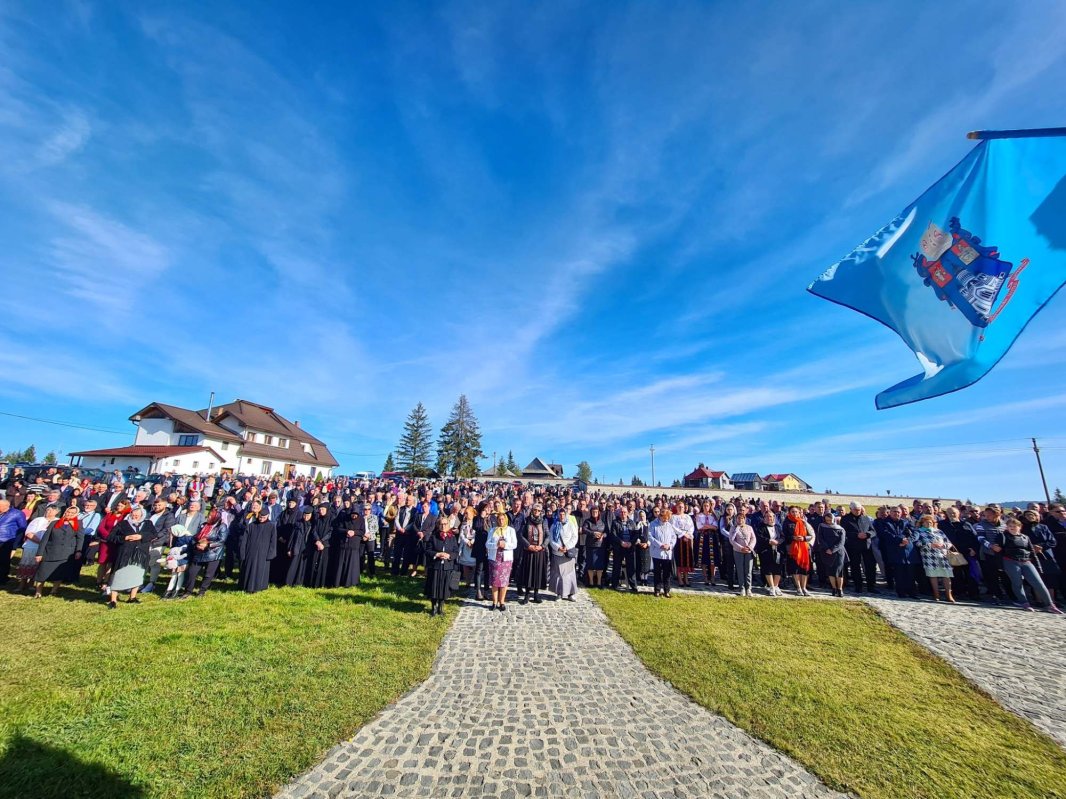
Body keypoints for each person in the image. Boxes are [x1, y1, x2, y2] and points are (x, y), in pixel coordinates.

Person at [991, 516, 1062, 613]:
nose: (1012, 528)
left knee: (1039, 583)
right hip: (1010, 560)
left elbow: (1032, 552)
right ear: (1007, 527)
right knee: (1017, 583)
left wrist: (1038, 565)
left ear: (1020, 527)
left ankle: (1050, 604)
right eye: (1010, 526)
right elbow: (997, 550)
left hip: (1026, 561)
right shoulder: (1002, 536)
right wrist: (999, 563)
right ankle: (1024, 602)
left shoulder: (1025, 537)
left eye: (1014, 526)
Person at [108, 505, 155, 608]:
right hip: (125, 553)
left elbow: (153, 535)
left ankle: (132, 597)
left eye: (137, 515)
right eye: (133, 515)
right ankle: (113, 600)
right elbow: (111, 537)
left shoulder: (148, 523)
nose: (135, 517)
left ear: (142, 515)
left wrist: (141, 536)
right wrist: (125, 537)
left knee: (137, 574)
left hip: (141, 553)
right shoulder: (122, 524)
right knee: (119, 574)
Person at [32, 506, 83, 599]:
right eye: (68, 512)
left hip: (66, 552)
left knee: (59, 573)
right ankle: (38, 592)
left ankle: (54, 590)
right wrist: (39, 553)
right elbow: (45, 539)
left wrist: (78, 550)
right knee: (42, 572)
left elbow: (80, 538)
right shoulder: (54, 523)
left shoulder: (78, 524)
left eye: (72, 513)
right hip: (50, 551)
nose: (69, 514)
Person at [181, 509, 230, 598]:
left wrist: (208, 545)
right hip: (199, 552)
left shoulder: (222, 526)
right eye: (208, 515)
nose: (208, 517)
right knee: (192, 572)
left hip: (212, 553)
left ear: (216, 517)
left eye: (211, 516)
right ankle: (188, 591)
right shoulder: (204, 525)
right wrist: (196, 544)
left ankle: (202, 591)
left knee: (208, 574)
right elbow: (195, 537)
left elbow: (221, 540)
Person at [913, 514, 955, 602]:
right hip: (929, 556)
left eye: (930, 522)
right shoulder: (919, 532)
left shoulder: (939, 531)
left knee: (946, 575)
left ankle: (949, 594)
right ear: (922, 523)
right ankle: (936, 594)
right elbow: (917, 543)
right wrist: (929, 545)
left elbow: (949, 543)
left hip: (942, 556)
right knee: (933, 575)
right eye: (926, 522)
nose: (928, 524)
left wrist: (943, 545)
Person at [424, 516, 460, 616]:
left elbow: (456, 552)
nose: (443, 526)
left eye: (445, 524)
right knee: (434, 587)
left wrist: (449, 556)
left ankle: (441, 606)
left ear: (448, 525)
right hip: (435, 566)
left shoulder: (452, 537)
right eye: (441, 524)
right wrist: (437, 554)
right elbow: (427, 550)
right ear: (438, 525)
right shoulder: (433, 536)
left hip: (447, 566)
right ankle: (433, 607)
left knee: (444, 588)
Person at [880, 507, 919, 599]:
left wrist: (908, 540)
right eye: (894, 512)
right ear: (890, 513)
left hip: (908, 551)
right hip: (895, 550)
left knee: (910, 573)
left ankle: (912, 592)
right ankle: (901, 592)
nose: (896, 513)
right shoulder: (885, 522)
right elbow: (885, 534)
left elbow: (916, 532)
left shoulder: (906, 522)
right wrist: (900, 540)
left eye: (898, 512)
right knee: (899, 573)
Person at [515, 503, 549, 604]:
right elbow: (520, 535)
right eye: (535, 510)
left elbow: (548, 535)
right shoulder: (526, 520)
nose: (536, 512)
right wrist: (528, 545)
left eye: (538, 511)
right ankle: (527, 594)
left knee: (537, 572)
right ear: (532, 511)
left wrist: (542, 546)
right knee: (528, 572)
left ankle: (536, 594)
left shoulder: (544, 521)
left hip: (539, 551)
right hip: (529, 550)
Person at [841, 502, 877, 594]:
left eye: (859, 509)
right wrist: (856, 535)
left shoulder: (865, 518)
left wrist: (867, 534)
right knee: (855, 566)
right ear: (851, 509)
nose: (858, 511)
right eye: (856, 510)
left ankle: (871, 586)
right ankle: (858, 586)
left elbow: (873, 531)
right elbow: (844, 532)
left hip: (866, 546)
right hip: (853, 546)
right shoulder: (845, 519)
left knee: (870, 566)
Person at [239, 509, 277, 594]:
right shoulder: (251, 525)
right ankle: (246, 586)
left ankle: (258, 587)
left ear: (267, 516)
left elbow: (273, 541)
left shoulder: (271, 526)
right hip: (250, 552)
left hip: (263, 553)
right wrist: (243, 552)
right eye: (260, 517)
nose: (261, 519)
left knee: (260, 570)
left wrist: (271, 554)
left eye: (263, 517)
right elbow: (244, 540)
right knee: (249, 569)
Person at [485, 512, 516, 611]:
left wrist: (505, 545)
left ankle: (502, 601)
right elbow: (487, 544)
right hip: (495, 558)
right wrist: (496, 544)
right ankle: (494, 602)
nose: (501, 521)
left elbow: (514, 544)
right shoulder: (492, 530)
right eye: (499, 519)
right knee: (494, 581)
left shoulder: (511, 530)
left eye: (503, 519)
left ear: (506, 520)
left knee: (504, 581)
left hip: (506, 559)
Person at [549, 507, 578, 601]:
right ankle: (559, 593)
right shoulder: (554, 525)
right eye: (560, 514)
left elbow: (574, 537)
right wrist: (558, 548)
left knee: (570, 574)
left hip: (568, 553)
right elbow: (551, 538)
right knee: (558, 574)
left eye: (563, 514)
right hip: (558, 553)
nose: (561, 516)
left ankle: (570, 593)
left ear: (566, 515)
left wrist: (567, 547)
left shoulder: (570, 524)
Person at [784, 506, 815, 596]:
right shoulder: (786, 522)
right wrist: (793, 537)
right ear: (789, 512)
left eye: (796, 512)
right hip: (793, 549)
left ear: (799, 513)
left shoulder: (804, 522)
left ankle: (804, 587)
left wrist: (804, 538)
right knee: (795, 569)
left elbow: (811, 535)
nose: (794, 513)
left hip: (804, 548)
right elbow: (784, 535)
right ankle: (798, 588)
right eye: (792, 511)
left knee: (804, 569)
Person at [609, 507, 641, 592]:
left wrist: (631, 542)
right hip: (619, 547)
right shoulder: (615, 522)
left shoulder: (632, 523)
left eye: (625, 512)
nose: (623, 514)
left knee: (631, 567)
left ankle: (633, 585)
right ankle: (614, 584)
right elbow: (613, 534)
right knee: (616, 566)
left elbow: (636, 534)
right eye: (622, 512)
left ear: (627, 513)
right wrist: (621, 542)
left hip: (630, 547)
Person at [815, 512, 847, 597]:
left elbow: (841, 542)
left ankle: (840, 589)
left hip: (838, 552)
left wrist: (833, 549)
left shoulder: (840, 529)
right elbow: (820, 538)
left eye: (830, 520)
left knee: (839, 570)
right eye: (827, 520)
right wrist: (826, 548)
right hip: (826, 551)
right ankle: (833, 588)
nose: (829, 522)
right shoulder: (822, 526)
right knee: (830, 570)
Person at [754, 508, 784, 596]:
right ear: (764, 518)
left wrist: (778, 542)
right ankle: (771, 587)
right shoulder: (760, 526)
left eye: (770, 516)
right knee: (768, 568)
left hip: (777, 550)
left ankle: (775, 586)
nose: (769, 518)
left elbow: (782, 537)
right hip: (766, 550)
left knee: (778, 568)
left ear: (774, 517)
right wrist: (769, 541)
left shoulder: (778, 527)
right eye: (766, 516)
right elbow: (759, 537)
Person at [649, 506, 678, 597]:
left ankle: (667, 590)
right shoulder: (653, 524)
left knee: (667, 573)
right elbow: (650, 537)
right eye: (664, 518)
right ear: (660, 516)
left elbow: (674, 537)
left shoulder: (669, 525)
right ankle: (657, 590)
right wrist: (660, 545)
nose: (666, 521)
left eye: (667, 519)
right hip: (657, 552)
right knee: (657, 572)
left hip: (667, 552)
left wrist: (669, 545)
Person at [728, 510, 757, 596]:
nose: (740, 520)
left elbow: (753, 538)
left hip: (748, 551)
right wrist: (741, 548)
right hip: (738, 551)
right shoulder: (733, 528)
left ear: (745, 519)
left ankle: (749, 588)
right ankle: (742, 588)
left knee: (748, 570)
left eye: (742, 518)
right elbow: (731, 540)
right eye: (738, 518)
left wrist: (750, 547)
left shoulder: (749, 527)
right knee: (740, 569)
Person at [284, 506, 314, 587]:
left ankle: (298, 582)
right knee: (293, 565)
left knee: (302, 566)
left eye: (308, 515)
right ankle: (288, 582)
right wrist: (289, 548)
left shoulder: (312, 525)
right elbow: (292, 537)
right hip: (296, 546)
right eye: (304, 515)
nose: (306, 517)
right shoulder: (297, 523)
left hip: (306, 548)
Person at [305, 504, 334, 588]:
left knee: (323, 564)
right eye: (320, 509)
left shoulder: (331, 519)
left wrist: (322, 541)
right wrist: (317, 541)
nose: (321, 511)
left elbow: (331, 532)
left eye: (323, 509)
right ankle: (312, 583)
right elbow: (314, 530)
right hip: (316, 543)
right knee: (314, 562)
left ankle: (322, 583)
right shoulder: (317, 518)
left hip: (326, 544)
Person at [0, 498, 28, 582]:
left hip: (7, 540)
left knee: (3, 560)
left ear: (6, 506)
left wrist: (17, 543)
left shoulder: (17, 513)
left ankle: (3, 578)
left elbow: (22, 528)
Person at [582, 507, 609, 588]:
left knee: (599, 565)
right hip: (590, 545)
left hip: (600, 546)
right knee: (590, 564)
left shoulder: (602, 522)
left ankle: (599, 582)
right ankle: (590, 582)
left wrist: (602, 536)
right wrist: (593, 533)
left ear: (598, 512)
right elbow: (584, 529)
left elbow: (606, 532)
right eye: (593, 512)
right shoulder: (588, 521)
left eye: (596, 512)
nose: (595, 513)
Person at [672, 500, 695, 587]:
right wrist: (682, 534)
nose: (681, 508)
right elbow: (673, 527)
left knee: (687, 559)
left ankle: (686, 577)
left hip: (687, 539)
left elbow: (691, 527)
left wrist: (688, 534)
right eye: (679, 507)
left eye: (682, 507)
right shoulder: (674, 517)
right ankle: (680, 578)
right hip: (679, 539)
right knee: (679, 558)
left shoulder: (687, 517)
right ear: (676, 507)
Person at [695, 500, 717, 585]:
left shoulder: (713, 515)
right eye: (704, 505)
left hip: (712, 538)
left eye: (707, 505)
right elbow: (699, 527)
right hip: (702, 538)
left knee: (712, 559)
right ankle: (705, 578)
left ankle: (712, 577)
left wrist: (706, 526)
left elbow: (716, 527)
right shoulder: (699, 516)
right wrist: (710, 526)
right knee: (703, 558)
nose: (706, 507)